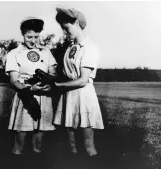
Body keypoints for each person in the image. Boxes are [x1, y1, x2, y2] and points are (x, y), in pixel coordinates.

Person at [53, 7, 104, 157]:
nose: (64, 32)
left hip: (84, 97)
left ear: (76, 23)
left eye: (66, 28)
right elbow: (66, 74)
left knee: (88, 146)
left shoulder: (90, 48)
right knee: (72, 146)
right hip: (69, 97)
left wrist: (58, 86)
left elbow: (82, 81)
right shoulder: (70, 48)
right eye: (62, 28)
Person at [5, 16, 57, 156]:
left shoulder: (45, 51)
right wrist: (30, 88)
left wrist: (49, 83)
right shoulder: (15, 53)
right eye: (29, 37)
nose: (33, 41)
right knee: (20, 141)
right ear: (23, 34)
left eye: (36, 37)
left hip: (44, 97)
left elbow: (53, 73)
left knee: (39, 141)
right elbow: (14, 81)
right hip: (25, 97)